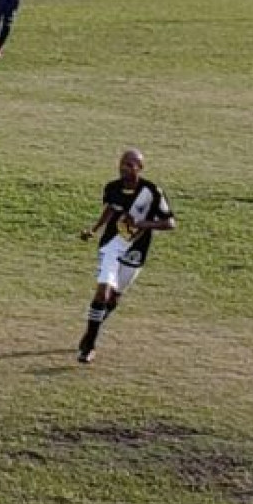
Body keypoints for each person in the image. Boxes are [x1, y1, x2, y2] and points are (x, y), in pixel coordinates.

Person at [75, 149, 177, 364]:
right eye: (123, 163)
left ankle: (95, 326)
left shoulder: (152, 192)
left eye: (131, 164)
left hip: (136, 250)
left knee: (114, 298)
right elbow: (110, 210)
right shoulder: (112, 188)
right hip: (111, 245)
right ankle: (89, 345)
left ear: (140, 168)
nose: (125, 167)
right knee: (102, 292)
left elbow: (169, 223)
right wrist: (94, 229)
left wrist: (142, 224)